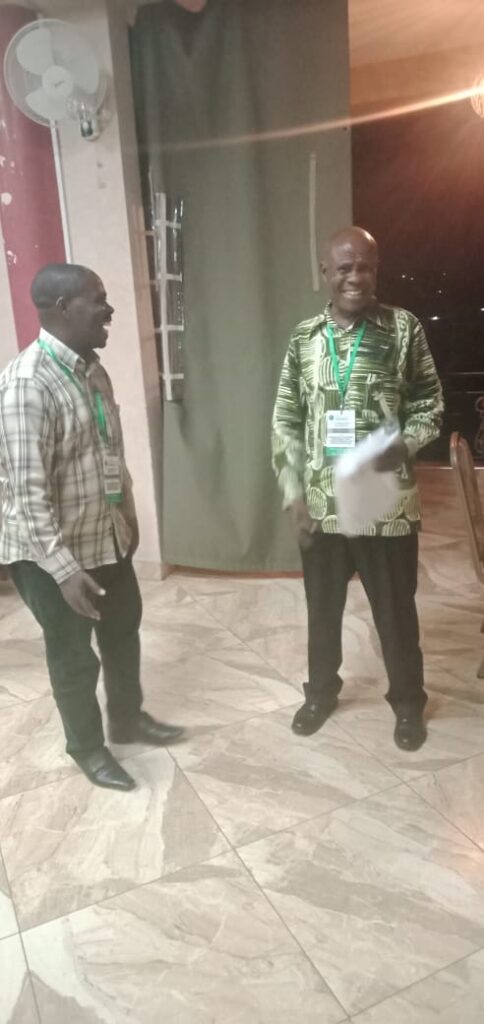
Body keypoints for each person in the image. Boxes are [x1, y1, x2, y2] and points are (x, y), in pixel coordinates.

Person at [0, 264, 184, 791]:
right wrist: (64, 572)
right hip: (50, 555)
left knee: (123, 629)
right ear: (62, 308)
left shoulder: (93, 370)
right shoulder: (27, 384)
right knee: (73, 655)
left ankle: (127, 718)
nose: (109, 309)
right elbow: (27, 496)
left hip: (105, 536)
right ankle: (86, 747)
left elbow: (106, 453)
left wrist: (126, 518)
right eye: (97, 299)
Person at [272, 227, 443, 751]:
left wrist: (406, 444)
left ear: (376, 269)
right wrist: (293, 493)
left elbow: (430, 403)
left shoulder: (403, 329)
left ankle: (408, 703)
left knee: (396, 612)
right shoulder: (304, 338)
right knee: (322, 610)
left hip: (384, 503)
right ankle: (321, 693)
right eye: (343, 268)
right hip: (322, 504)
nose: (354, 277)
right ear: (325, 272)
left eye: (363, 266)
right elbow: (287, 420)